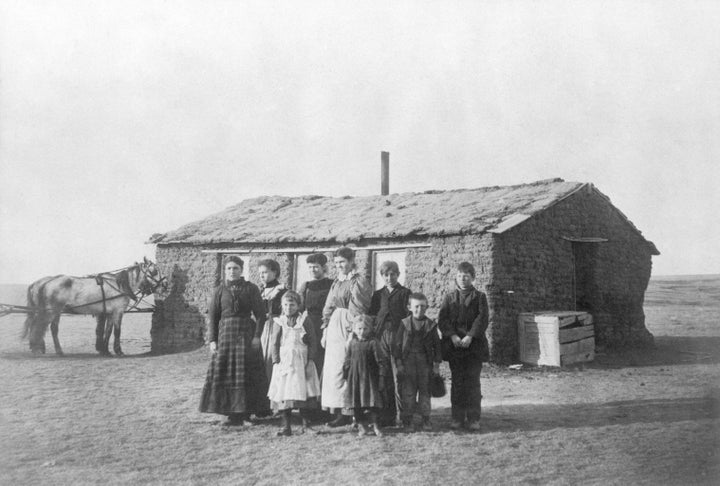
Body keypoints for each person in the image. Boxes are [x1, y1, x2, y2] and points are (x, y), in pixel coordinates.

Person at [199, 256, 268, 425]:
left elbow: (260, 315)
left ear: (241, 270)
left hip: (246, 335)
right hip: (225, 336)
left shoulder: (251, 289)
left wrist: (257, 336)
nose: (232, 271)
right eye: (229, 268)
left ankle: (245, 415)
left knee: (246, 373)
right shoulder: (219, 291)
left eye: (235, 268)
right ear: (225, 271)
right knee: (226, 373)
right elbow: (213, 318)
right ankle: (230, 414)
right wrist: (212, 340)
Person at [321, 246, 372, 427]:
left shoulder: (359, 282)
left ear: (351, 262)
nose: (339, 266)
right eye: (336, 263)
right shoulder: (337, 282)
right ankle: (340, 412)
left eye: (342, 262)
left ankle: (353, 412)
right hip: (335, 326)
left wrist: (353, 333)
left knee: (348, 366)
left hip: (349, 326)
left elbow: (359, 309)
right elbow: (329, 305)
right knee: (335, 370)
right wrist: (325, 328)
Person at [438, 262, 489, 431]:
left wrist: (470, 336)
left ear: (473, 278)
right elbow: (443, 319)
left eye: (466, 275)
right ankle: (457, 417)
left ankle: (474, 418)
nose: (463, 278)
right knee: (458, 382)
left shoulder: (480, 297)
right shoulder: (449, 297)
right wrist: (452, 335)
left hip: (474, 348)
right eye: (460, 275)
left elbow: (482, 319)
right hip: (455, 348)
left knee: (473, 382)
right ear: (456, 277)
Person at [267, 291, 321, 436]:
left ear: (298, 305)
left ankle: (306, 425)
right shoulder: (280, 322)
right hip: (285, 362)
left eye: (292, 304)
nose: (289, 307)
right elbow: (275, 343)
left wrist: (310, 360)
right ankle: (286, 426)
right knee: (285, 391)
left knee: (305, 390)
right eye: (285, 305)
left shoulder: (304, 320)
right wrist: (276, 361)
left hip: (301, 361)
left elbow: (313, 340)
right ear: (282, 306)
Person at [368, 260, 411, 427]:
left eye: (393, 274)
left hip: (398, 336)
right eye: (386, 275)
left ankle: (404, 416)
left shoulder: (405, 292)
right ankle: (387, 416)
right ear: (382, 276)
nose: (389, 277)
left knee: (399, 376)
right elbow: (372, 315)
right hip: (380, 337)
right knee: (383, 376)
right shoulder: (378, 295)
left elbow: (409, 316)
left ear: (398, 275)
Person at [395, 293, 441, 431]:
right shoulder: (404, 324)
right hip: (408, 362)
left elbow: (437, 346)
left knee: (425, 392)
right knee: (408, 392)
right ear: (409, 307)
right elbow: (397, 345)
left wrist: (436, 366)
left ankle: (426, 419)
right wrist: (399, 364)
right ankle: (407, 420)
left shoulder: (431, 325)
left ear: (426, 307)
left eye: (422, 306)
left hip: (424, 363)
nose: (419, 309)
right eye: (416, 306)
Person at [343, 315, 389, 437]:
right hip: (355, 379)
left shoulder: (373, 343)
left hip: (369, 379)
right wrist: (346, 375)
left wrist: (381, 377)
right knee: (356, 404)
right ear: (354, 329)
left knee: (372, 403)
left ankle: (375, 426)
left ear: (370, 329)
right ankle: (362, 427)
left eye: (365, 329)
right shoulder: (352, 343)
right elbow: (347, 360)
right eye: (359, 329)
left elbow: (381, 361)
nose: (362, 332)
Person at [297, 253, 333, 373]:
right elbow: (300, 308)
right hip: (310, 325)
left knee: (324, 355)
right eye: (310, 267)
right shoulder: (306, 286)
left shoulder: (332, 284)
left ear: (324, 268)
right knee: (310, 354)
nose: (313, 270)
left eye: (316, 267)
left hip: (326, 324)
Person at [258, 259, 287, 392]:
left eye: (265, 272)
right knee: (260, 359)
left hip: (276, 326)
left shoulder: (281, 290)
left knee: (271, 358)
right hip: (262, 327)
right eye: (260, 273)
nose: (262, 275)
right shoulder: (261, 291)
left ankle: (274, 395)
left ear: (275, 272)